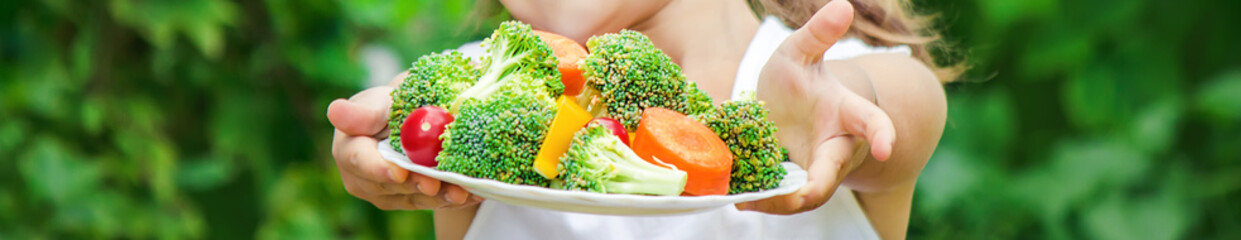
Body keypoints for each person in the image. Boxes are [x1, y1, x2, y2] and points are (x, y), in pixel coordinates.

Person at [326, 0, 956, 239]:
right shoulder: (484, 90)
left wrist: (843, 95)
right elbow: (398, 115)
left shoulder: (819, 76)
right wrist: (379, 137)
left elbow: (909, 107)